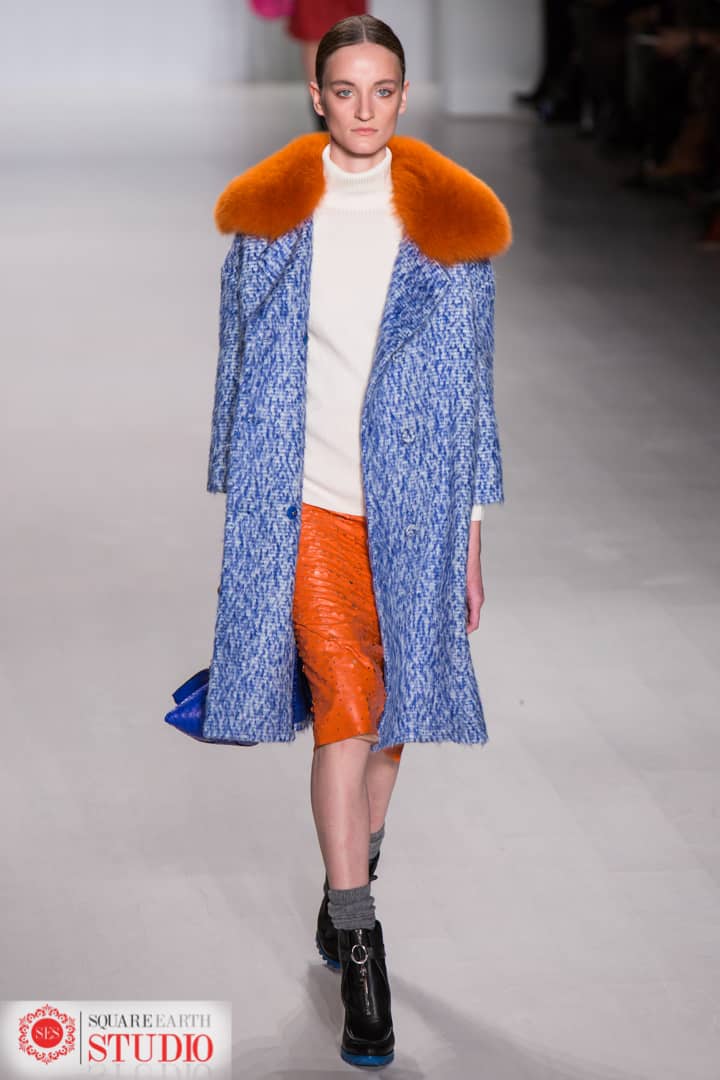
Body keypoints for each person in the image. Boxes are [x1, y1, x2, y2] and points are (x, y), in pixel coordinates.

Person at [204, 13, 511, 1068]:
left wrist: (472, 530)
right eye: (346, 90)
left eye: (383, 90)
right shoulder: (271, 219)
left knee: (389, 722)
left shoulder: (452, 224)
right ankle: (362, 939)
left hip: (416, 512)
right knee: (344, 704)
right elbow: (236, 363)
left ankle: (355, 866)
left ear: (404, 97)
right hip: (305, 503)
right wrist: (242, 502)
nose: (365, 108)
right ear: (317, 97)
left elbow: (473, 392)